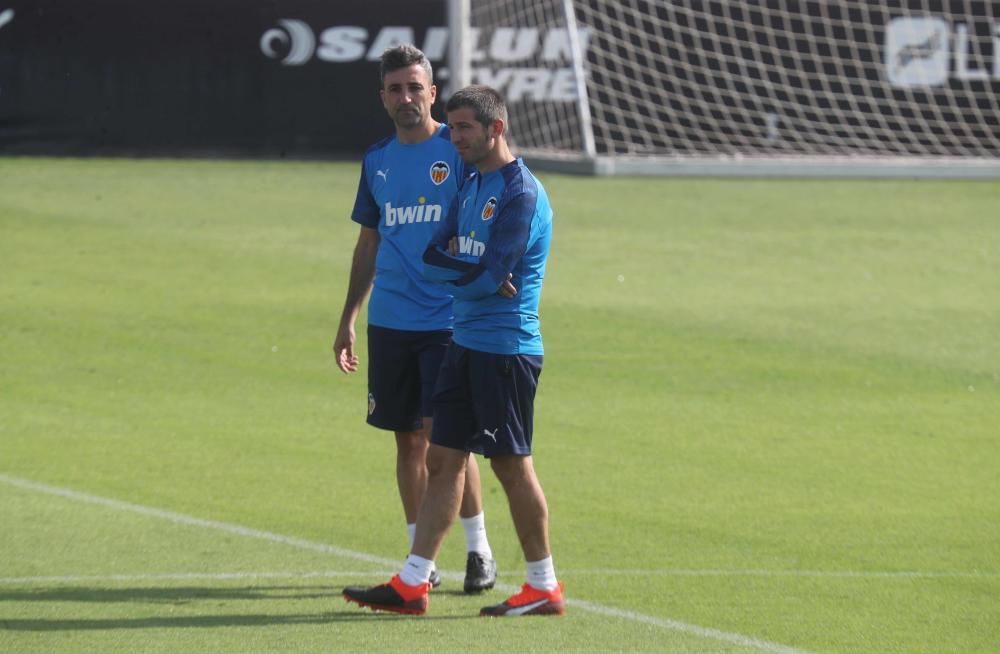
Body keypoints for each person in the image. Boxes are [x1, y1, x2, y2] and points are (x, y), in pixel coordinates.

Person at [342, 85, 562, 617]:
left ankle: (543, 585)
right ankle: (414, 582)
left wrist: (471, 272)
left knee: (511, 465)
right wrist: (474, 273)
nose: (454, 136)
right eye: (453, 125)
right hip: (463, 343)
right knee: (442, 460)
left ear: (496, 129)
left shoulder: (520, 194)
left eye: (464, 127)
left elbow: (488, 276)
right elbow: (434, 256)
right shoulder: (469, 186)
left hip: (504, 350)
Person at [333, 45, 496, 594]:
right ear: (382, 97)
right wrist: (349, 316)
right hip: (392, 321)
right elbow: (369, 240)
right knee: (407, 442)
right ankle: (418, 563)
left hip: (450, 321)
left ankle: (479, 551)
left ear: (432, 91)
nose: (406, 97)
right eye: (395, 88)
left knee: (448, 440)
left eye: (414, 87)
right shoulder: (376, 160)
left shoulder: (459, 152)